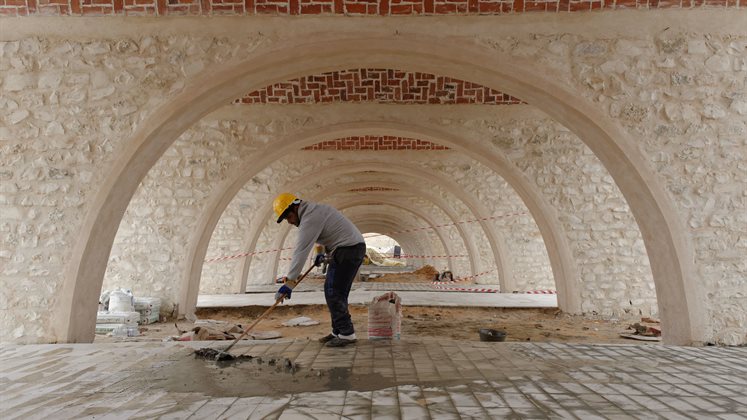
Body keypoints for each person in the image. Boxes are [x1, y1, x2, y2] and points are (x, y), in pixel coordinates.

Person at [273, 192, 366, 348]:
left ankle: (347, 333)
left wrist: (289, 283)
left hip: (347, 250)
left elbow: (301, 251)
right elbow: (324, 235)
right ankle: (338, 331)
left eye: (288, 217)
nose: (289, 222)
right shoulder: (313, 211)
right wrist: (321, 253)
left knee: (334, 291)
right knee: (334, 291)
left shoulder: (310, 218)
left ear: (295, 207)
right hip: (349, 249)